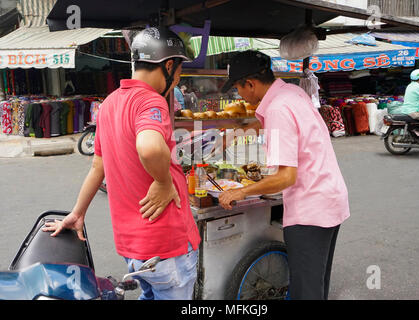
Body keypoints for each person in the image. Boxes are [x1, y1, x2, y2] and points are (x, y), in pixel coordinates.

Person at [42, 27, 201, 300]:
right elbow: (149, 148)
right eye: (178, 74)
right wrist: (163, 182)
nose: (176, 81)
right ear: (169, 65)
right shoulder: (151, 101)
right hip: (166, 245)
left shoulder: (110, 103)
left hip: (133, 247)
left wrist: (78, 213)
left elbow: (97, 168)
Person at [218, 50, 350, 300]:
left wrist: (241, 191)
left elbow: (286, 177)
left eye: (238, 88)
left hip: (311, 209)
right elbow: (270, 121)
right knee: (316, 283)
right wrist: (238, 133)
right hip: (329, 198)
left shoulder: (278, 107)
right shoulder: (290, 92)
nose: (239, 95)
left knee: (305, 291)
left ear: (251, 84)